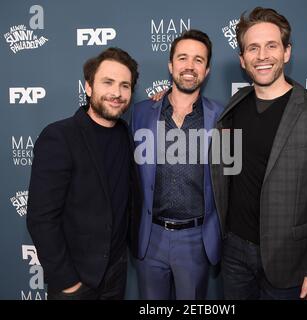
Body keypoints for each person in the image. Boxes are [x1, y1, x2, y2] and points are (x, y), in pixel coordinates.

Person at [211, 7, 307, 300]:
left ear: (286, 52)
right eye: (253, 48)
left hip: (291, 260)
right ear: (242, 59)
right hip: (234, 253)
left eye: (271, 45)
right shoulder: (233, 107)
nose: (262, 55)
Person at [27, 47, 141, 300]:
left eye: (125, 85)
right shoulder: (59, 136)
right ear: (89, 87)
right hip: (76, 280)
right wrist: (68, 282)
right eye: (108, 82)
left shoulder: (127, 135)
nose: (116, 93)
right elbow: (41, 217)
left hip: (115, 274)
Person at [131, 29, 223, 300]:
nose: (190, 66)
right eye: (183, 58)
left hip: (196, 240)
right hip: (151, 236)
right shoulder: (140, 113)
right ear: (171, 65)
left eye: (198, 60)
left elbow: (231, 178)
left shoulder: (223, 117)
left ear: (206, 70)